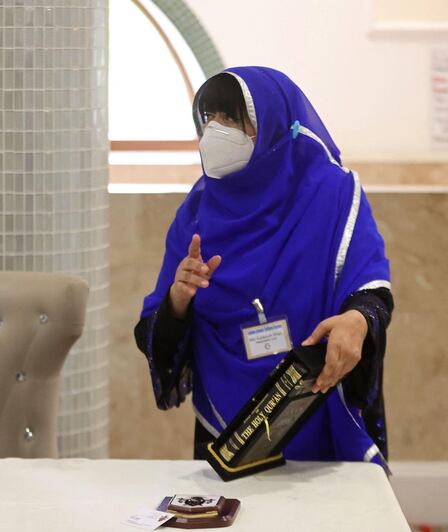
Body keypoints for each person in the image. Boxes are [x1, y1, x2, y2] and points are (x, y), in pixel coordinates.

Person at [134, 67, 393, 466]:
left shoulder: (334, 193)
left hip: (319, 406)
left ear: (273, 122)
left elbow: (371, 286)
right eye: (209, 119)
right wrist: (178, 299)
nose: (216, 131)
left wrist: (357, 320)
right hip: (226, 423)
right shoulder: (197, 213)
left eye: (232, 119)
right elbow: (156, 330)